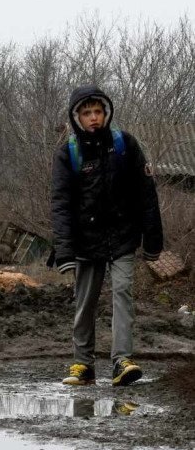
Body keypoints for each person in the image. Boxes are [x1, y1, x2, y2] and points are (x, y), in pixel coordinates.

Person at [51, 85, 163, 387]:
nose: (93, 118)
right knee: (85, 302)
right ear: (77, 117)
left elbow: (146, 193)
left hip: (124, 236)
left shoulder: (125, 144)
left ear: (106, 113)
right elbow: (60, 204)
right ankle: (83, 364)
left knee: (123, 294)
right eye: (87, 113)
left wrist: (153, 241)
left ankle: (121, 361)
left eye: (98, 111)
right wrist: (64, 251)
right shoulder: (68, 153)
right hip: (86, 241)